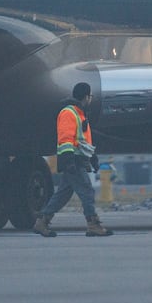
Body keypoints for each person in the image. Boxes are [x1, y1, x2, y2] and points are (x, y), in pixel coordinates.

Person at [33, 82, 113, 237]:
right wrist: (68, 161)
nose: (91, 99)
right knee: (87, 192)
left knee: (62, 195)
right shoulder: (69, 113)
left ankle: (41, 222)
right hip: (73, 161)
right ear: (85, 96)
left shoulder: (80, 113)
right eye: (90, 96)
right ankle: (93, 224)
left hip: (78, 160)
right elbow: (66, 139)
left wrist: (93, 158)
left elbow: (83, 141)